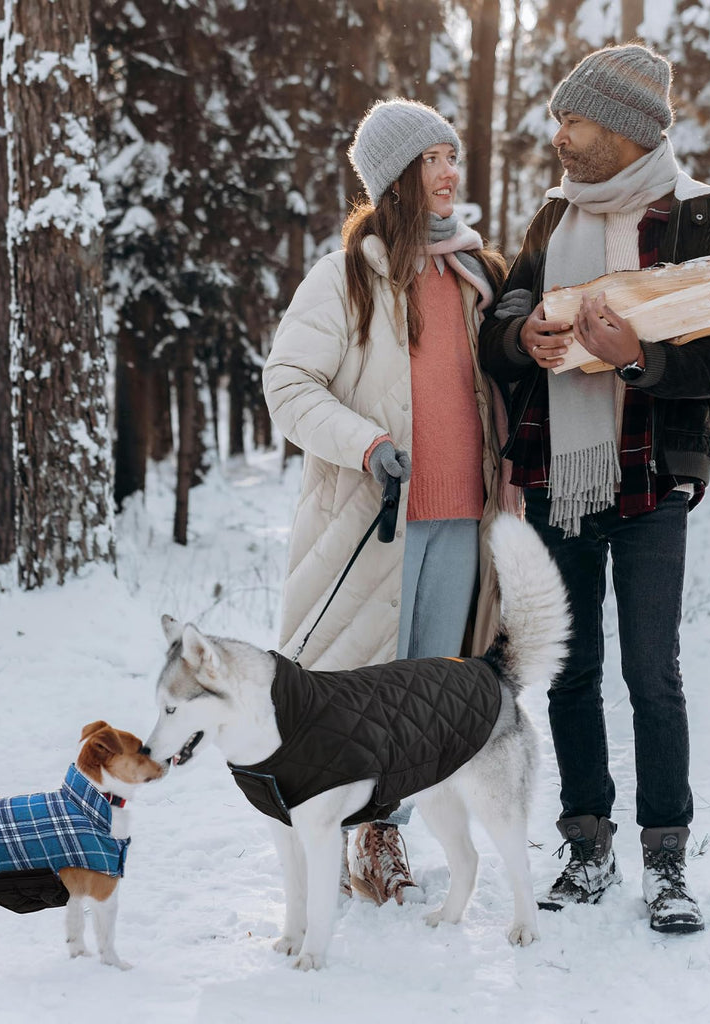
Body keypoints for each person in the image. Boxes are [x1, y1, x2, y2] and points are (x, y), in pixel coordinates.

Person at [480, 44, 710, 934]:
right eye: (560, 118)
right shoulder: (551, 219)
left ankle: (667, 863)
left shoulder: (706, 221)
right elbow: (503, 315)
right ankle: (588, 843)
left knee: (653, 675)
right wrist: (529, 339)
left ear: (627, 128)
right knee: (572, 672)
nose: (559, 134)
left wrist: (636, 357)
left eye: (575, 119)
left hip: (654, 476)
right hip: (560, 471)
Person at [262, 98, 507, 906]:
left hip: (462, 521)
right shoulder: (345, 278)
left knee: (424, 705)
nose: (448, 173)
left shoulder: (476, 274)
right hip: (377, 521)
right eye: (433, 160)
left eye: (450, 156)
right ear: (397, 178)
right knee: (355, 688)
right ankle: (334, 835)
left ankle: (381, 838)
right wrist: (365, 442)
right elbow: (288, 383)